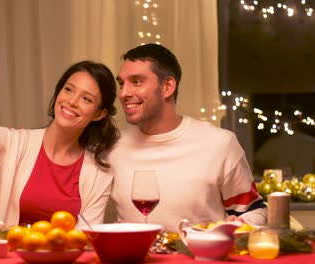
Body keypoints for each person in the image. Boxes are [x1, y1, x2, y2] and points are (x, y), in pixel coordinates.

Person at [0, 50, 119, 231]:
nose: (72, 101)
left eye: (86, 99)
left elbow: (87, 240)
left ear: (99, 113)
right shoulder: (13, 144)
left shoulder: (98, 174)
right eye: (69, 89)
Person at [109, 43, 267, 231]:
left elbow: (254, 210)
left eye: (136, 82)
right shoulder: (112, 146)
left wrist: (242, 224)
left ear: (168, 86)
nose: (123, 93)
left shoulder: (218, 144)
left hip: (197, 258)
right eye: (121, 83)